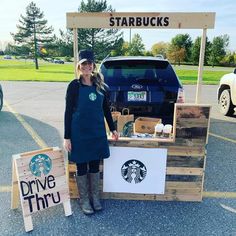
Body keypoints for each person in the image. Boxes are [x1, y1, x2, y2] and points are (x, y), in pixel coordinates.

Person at [64, 49, 119, 215]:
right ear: (79, 66)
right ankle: (84, 200)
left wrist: (113, 128)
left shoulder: (100, 85)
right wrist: (67, 137)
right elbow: (68, 112)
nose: (87, 66)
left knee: (95, 165)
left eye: (89, 63)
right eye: (83, 64)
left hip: (96, 132)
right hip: (79, 133)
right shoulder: (74, 86)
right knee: (81, 165)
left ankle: (95, 198)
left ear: (93, 65)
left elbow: (105, 110)